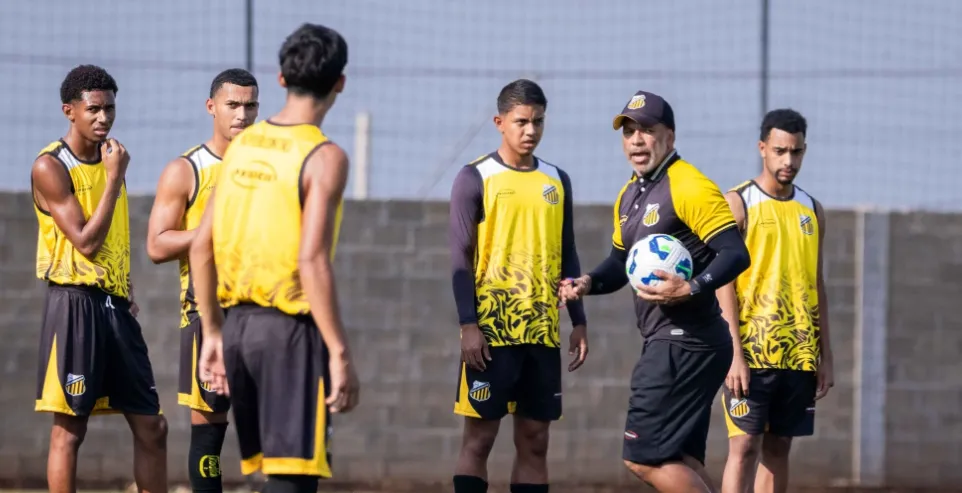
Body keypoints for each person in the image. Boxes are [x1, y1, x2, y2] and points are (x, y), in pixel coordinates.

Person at [188, 23, 360, 493]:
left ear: (281, 79)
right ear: (340, 82)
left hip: (238, 330)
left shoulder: (241, 146)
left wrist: (214, 332)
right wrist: (340, 352)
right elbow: (312, 260)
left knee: (274, 474)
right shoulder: (325, 156)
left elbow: (201, 245)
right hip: (290, 333)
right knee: (293, 478)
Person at [559, 90, 750, 493]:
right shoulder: (630, 195)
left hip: (684, 343)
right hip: (678, 343)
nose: (636, 140)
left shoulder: (689, 185)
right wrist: (588, 283)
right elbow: (618, 264)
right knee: (681, 459)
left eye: (647, 130)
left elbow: (735, 253)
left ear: (670, 137)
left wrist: (692, 286)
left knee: (641, 458)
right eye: (629, 131)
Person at [31, 64, 167, 493]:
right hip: (73, 306)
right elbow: (86, 243)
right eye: (93, 109)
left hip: (115, 307)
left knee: (153, 427)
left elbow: (114, 242)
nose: (103, 118)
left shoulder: (112, 157)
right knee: (70, 431)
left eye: (109, 108)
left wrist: (125, 291)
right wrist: (113, 179)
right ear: (69, 110)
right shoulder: (51, 167)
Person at [449, 79, 589, 493]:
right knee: (480, 439)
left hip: (542, 334)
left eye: (538, 122)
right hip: (491, 335)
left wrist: (579, 320)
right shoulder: (475, 177)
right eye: (521, 122)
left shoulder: (556, 180)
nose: (531, 130)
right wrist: (467, 325)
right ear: (500, 122)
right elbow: (460, 257)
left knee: (535, 441)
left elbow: (568, 253)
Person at [145, 68, 259, 493]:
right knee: (209, 436)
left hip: (266, 314)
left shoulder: (271, 166)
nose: (242, 114)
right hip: (206, 315)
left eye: (250, 105)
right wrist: (213, 231)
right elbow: (157, 245)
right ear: (211, 107)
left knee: (291, 431)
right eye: (233, 104)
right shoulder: (187, 169)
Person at [717, 109, 834, 493]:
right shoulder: (739, 202)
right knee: (745, 446)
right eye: (780, 150)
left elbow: (816, 284)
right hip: (749, 352)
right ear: (762, 148)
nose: (788, 161)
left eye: (796, 152)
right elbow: (724, 284)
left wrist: (825, 355)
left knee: (779, 448)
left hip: (798, 352)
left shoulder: (812, 210)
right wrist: (734, 352)